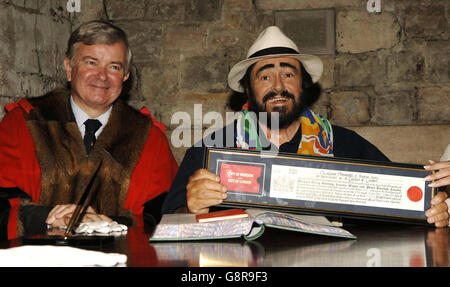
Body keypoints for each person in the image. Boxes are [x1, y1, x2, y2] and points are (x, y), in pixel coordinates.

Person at [161, 26, 450, 228]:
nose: (278, 86)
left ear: (303, 86)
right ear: (247, 90)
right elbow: (167, 221)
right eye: (265, 77)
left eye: (288, 74)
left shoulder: (344, 144)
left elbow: (402, 201)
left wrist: (435, 209)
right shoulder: (212, 150)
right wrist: (191, 208)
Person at [0, 21, 178, 240]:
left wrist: (107, 224)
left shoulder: (149, 139)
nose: (102, 76)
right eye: (91, 63)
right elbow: (3, 205)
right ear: (69, 68)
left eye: (114, 67)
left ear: (125, 77)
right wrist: (48, 217)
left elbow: (164, 216)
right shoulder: (22, 125)